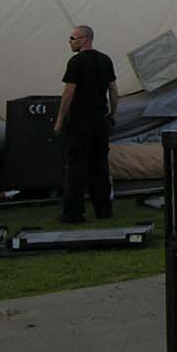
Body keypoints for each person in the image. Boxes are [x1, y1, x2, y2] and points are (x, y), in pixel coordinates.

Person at [54, 24, 118, 223]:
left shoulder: (76, 62)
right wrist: (112, 114)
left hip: (80, 123)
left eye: (72, 38)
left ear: (84, 39)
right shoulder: (105, 60)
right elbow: (113, 90)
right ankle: (103, 210)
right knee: (100, 167)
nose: (70, 41)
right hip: (100, 121)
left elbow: (68, 93)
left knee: (76, 168)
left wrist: (59, 121)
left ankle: (73, 213)